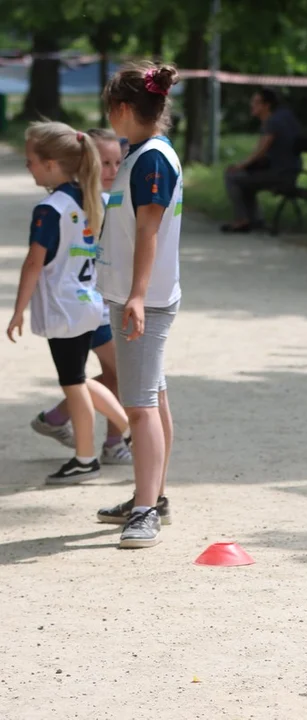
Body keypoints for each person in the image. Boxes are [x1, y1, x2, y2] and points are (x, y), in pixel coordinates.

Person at [95, 62, 184, 547]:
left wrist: (135, 296)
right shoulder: (142, 155)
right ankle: (152, 496)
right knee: (154, 396)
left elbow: (149, 230)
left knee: (140, 406)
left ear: (124, 109)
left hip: (142, 301)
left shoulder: (150, 159)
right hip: (139, 296)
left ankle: (147, 509)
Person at [7, 122, 120, 483]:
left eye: (31, 161)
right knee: (79, 379)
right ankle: (128, 427)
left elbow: (33, 264)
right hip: (88, 305)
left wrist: (17, 310)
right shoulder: (94, 200)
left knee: (73, 383)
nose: (29, 167)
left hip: (64, 308)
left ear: (53, 164)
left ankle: (86, 458)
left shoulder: (51, 208)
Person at [30, 128, 133, 466]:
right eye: (104, 162)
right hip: (88, 308)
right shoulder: (75, 203)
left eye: (118, 162)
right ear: (84, 161)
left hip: (103, 303)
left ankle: (60, 420)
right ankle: (116, 437)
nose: (112, 171)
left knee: (110, 373)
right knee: (114, 372)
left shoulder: (108, 201)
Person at [221, 88, 302, 233]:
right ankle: (255, 219)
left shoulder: (273, 122)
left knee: (232, 176)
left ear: (267, 105)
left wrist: (240, 166)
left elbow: (260, 152)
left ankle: (242, 220)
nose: (252, 105)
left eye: (256, 102)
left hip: (280, 174)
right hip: (290, 171)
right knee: (245, 178)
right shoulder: (284, 116)